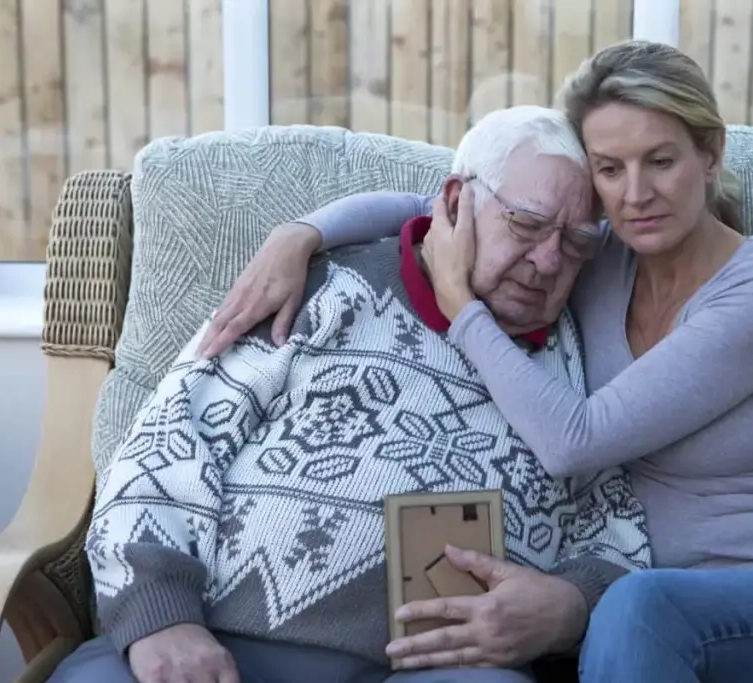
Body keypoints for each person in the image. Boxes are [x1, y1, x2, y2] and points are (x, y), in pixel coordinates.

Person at [199, 40, 753, 682]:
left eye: (660, 160)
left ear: (711, 155)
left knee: (635, 606)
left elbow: (577, 439)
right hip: (652, 631)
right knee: (624, 615)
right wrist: (302, 234)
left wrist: (459, 303)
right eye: (610, 169)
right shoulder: (597, 255)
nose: (635, 194)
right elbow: (443, 202)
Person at [53, 105, 652, 683]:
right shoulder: (322, 289)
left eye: (575, 243)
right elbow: (166, 442)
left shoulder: (582, 356)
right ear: (454, 202)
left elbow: (619, 533)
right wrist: (161, 617)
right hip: (221, 642)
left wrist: (571, 605)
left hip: (442, 666)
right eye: (525, 224)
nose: (548, 261)